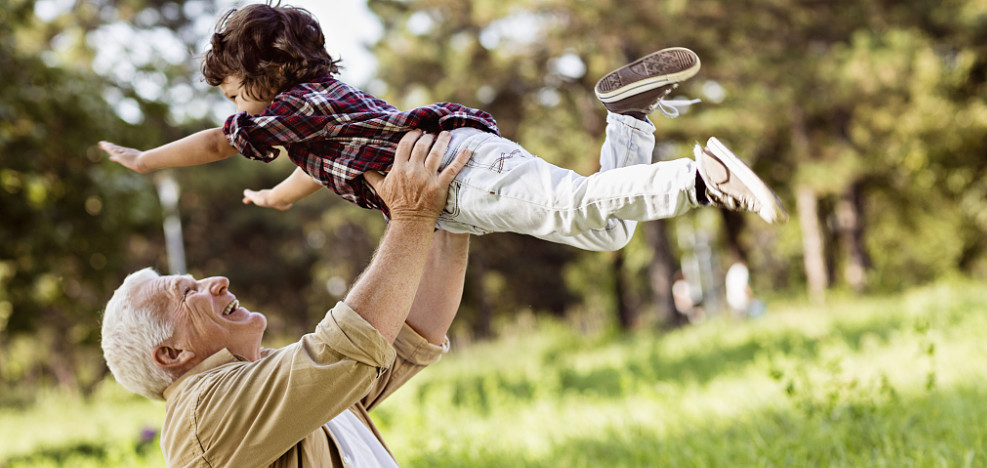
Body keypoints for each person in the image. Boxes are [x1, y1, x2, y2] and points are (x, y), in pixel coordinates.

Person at [101, 130, 943, 468]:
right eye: (185, 289)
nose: (211, 278)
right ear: (172, 352)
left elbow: (409, 334)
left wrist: (451, 213)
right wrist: (406, 219)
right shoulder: (205, 415)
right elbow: (344, 345)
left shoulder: (274, 393)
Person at [99, 3, 788, 255]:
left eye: (231, 92)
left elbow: (221, 141)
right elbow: (312, 169)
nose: (236, 109)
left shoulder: (293, 108)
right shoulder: (320, 111)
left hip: (457, 175)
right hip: (461, 171)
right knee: (603, 228)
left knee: (573, 205)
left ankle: (703, 177)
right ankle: (628, 117)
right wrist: (276, 198)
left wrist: (147, 161)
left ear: (262, 78)